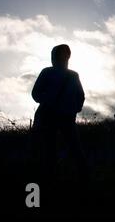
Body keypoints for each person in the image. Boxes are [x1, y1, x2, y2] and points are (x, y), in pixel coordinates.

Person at [31, 44, 88, 187]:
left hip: (60, 116)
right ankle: (62, 177)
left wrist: (73, 108)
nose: (56, 57)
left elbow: (80, 96)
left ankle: (77, 177)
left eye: (57, 54)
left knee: (69, 147)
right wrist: (72, 108)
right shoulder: (53, 73)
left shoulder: (68, 74)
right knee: (56, 147)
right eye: (56, 54)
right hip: (56, 115)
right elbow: (36, 93)